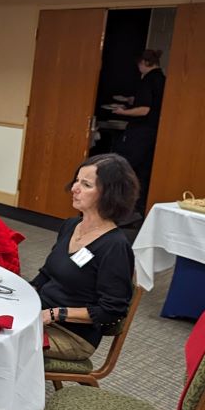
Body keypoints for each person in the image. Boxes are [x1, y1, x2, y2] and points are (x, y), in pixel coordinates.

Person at [32, 153, 137, 362]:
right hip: (40, 316)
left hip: (73, 335)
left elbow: (112, 310)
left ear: (109, 195)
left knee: (1, 342)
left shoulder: (114, 246)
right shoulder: (71, 226)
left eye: (86, 184)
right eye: (76, 180)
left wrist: (56, 314)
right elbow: (46, 275)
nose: (74, 188)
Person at [112, 49, 166, 216]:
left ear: (146, 63)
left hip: (141, 132)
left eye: (140, 65)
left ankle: (123, 208)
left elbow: (144, 110)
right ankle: (139, 210)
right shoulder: (162, 80)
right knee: (144, 171)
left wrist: (122, 112)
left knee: (126, 168)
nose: (139, 68)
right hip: (153, 132)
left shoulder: (148, 80)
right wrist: (130, 100)